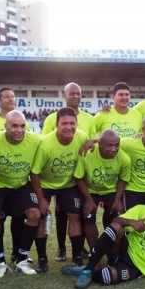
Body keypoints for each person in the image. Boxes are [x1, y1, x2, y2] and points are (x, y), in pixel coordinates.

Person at [0, 110, 41, 277]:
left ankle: (21, 259)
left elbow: (53, 141)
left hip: (20, 184)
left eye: (22, 126)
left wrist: (94, 140)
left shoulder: (35, 139)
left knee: (35, 214)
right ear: (5, 126)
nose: (19, 130)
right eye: (14, 126)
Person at [42, 83, 96, 263]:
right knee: (59, 214)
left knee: (76, 213)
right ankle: (60, 248)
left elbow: (92, 140)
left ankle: (78, 251)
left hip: (76, 175)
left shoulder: (89, 118)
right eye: (72, 93)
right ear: (64, 94)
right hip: (53, 175)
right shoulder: (52, 118)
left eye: (78, 93)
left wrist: (93, 140)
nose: (75, 96)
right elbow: (46, 142)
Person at [30, 107, 89, 271]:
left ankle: (77, 257)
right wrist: (41, 199)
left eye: (72, 123)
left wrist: (95, 141)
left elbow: (94, 143)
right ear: (56, 124)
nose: (69, 127)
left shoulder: (82, 137)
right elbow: (34, 173)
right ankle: (42, 259)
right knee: (42, 217)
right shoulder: (46, 144)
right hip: (45, 185)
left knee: (74, 215)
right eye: (64, 123)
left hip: (68, 185)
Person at [75, 129, 130, 249]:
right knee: (88, 217)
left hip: (111, 192)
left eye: (116, 145)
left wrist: (117, 200)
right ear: (99, 144)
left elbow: (123, 179)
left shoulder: (124, 158)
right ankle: (94, 251)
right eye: (109, 145)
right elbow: (79, 178)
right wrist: (89, 200)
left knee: (115, 219)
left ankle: (111, 251)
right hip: (90, 191)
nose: (113, 149)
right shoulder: (87, 154)